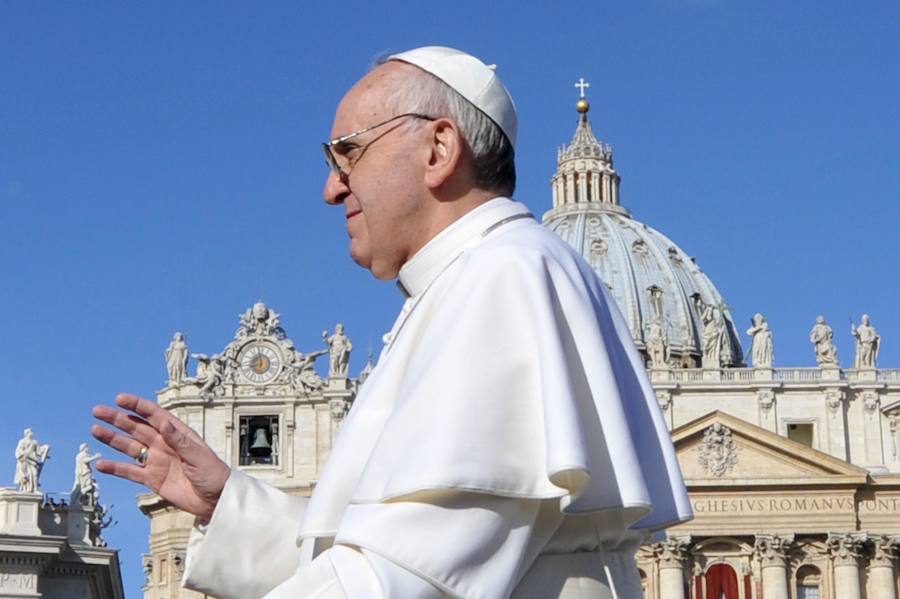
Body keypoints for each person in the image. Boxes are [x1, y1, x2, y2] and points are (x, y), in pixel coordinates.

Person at [91, 46, 691, 598]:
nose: (331, 188)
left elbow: (405, 581)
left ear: (438, 149)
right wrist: (230, 506)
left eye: (347, 152)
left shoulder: (504, 276)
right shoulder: (469, 281)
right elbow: (408, 556)